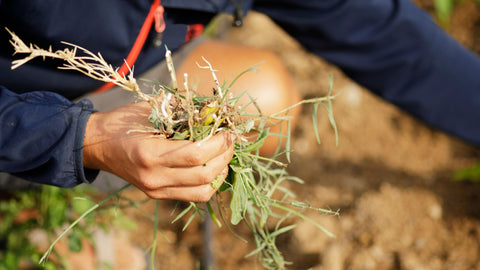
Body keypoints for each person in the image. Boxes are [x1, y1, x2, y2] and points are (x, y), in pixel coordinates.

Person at [1, 0, 479, 202]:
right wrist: (81, 139)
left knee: (262, 100)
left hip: (110, 80)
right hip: (19, 104)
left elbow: (386, 36)